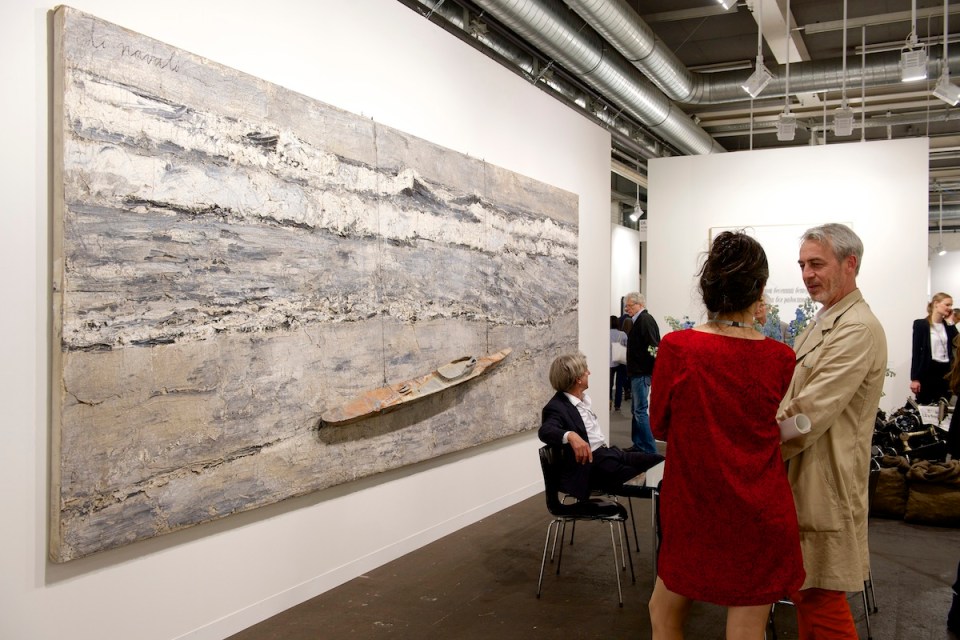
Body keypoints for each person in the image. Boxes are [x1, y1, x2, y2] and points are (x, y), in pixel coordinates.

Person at [648, 231, 804, 640]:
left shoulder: (678, 349)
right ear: (760, 291)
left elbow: (659, 426)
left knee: (663, 613)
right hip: (760, 512)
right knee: (747, 630)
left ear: (707, 286)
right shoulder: (780, 357)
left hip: (695, 507)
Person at [778, 223, 887, 639]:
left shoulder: (856, 328)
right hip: (806, 475)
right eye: (802, 265)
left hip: (824, 482)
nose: (807, 274)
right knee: (808, 593)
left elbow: (807, 413)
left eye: (817, 264)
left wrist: (754, 448)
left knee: (820, 596)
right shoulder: (829, 320)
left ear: (849, 263)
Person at [538, 352, 663, 501]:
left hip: (609, 454)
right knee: (655, 482)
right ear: (578, 379)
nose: (589, 373)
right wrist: (570, 435)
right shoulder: (556, 407)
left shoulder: (583, 400)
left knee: (660, 461)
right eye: (585, 371)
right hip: (593, 466)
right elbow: (546, 430)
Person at [623, 292, 660, 454]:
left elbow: (654, 346)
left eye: (629, 306)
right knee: (636, 410)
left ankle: (650, 449)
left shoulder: (645, 320)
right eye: (626, 306)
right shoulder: (639, 320)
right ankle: (639, 444)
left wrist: (650, 370)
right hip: (638, 372)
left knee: (640, 411)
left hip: (642, 372)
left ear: (640, 305)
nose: (626, 309)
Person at [910, 292, 957, 405]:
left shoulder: (948, 326)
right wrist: (915, 378)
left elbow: (957, 342)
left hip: (946, 371)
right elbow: (916, 353)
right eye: (947, 304)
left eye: (951, 305)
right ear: (936, 304)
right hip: (929, 370)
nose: (950, 308)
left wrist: (951, 322)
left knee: (944, 406)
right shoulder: (921, 324)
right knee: (926, 406)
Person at [609, 316, 628, 412]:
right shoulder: (623, 334)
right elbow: (627, 347)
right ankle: (617, 405)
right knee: (619, 385)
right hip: (620, 361)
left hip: (609, 362)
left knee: (609, 384)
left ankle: (608, 402)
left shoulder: (605, 333)